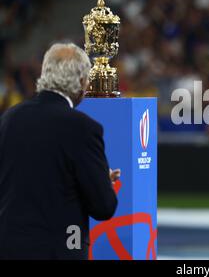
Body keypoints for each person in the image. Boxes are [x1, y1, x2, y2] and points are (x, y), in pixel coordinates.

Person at [0, 43, 119, 260]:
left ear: (45, 74)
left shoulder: (9, 119)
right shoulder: (82, 127)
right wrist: (102, 181)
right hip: (58, 250)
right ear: (82, 82)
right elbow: (103, 207)